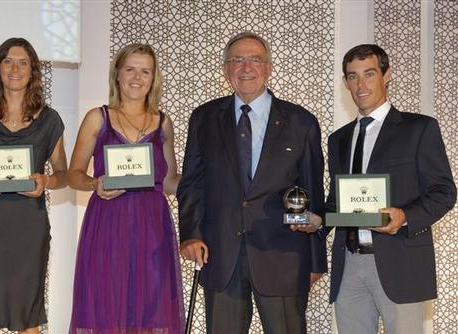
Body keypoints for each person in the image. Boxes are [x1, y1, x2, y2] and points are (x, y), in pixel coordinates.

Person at [177, 31, 326, 334]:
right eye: (237, 60)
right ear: (225, 69)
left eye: (255, 60)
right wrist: (190, 234)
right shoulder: (203, 118)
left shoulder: (302, 122)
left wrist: (315, 260)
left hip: (284, 257)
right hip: (220, 255)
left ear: (268, 68)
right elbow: (192, 182)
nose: (246, 67)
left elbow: (313, 192)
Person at [324, 44, 456, 334]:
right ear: (345, 82)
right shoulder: (338, 139)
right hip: (349, 265)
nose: (361, 84)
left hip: (401, 262)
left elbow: (444, 191)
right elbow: (336, 202)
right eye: (352, 76)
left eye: (369, 74)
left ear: (387, 75)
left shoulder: (419, 128)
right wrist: (314, 223)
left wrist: (404, 216)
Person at [67, 43, 184, 333]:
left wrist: (205, 179)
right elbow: (73, 175)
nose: (137, 77)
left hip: (153, 228)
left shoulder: (164, 124)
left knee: (151, 312)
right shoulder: (98, 117)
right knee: (106, 307)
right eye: (130, 69)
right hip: (107, 225)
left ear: (153, 78)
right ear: (117, 74)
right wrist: (94, 183)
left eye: (145, 71)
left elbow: (170, 182)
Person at [0, 37, 67, 334]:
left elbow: (64, 174)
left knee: (27, 315)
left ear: (33, 71)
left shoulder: (49, 119)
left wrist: (46, 181)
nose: (15, 69)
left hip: (30, 226)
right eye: (8, 61)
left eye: (23, 62)